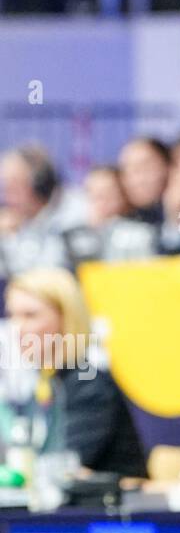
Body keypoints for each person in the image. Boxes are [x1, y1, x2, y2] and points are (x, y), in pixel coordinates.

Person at [3, 267, 146, 478]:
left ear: (65, 318)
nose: (18, 328)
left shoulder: (90, 385)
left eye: (30, 315)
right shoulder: (45, 383)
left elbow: (61, 466)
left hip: (110, 508)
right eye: (12, 315)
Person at [0, 147, 70, 277]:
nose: (7, 195)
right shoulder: (9, 223)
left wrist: (10, 238)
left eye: (14, 184)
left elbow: (44, 278)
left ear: (40, 185)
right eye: (5, 186)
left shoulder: (66, 222)